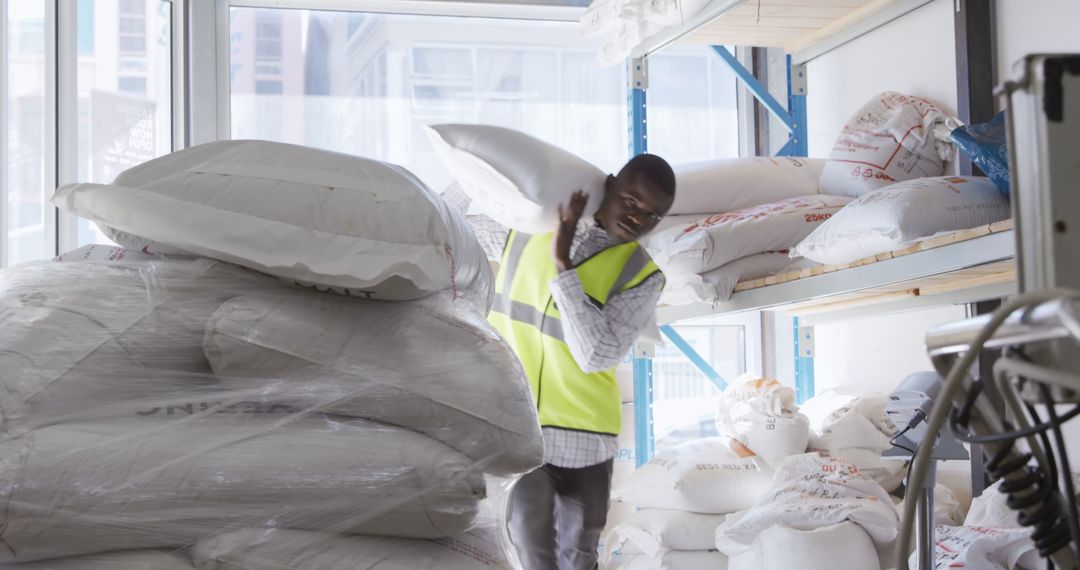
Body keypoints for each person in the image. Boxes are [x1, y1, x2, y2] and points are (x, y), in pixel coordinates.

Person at [486, 153, 676, 570]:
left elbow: (596, 356)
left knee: (579, 557)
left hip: (586, 438)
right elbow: (470, 201)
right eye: (631, 201)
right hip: (522, 429)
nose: (637, 218)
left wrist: (563, 268)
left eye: (652, 215)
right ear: (609, 185)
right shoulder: (526, 229)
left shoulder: (642, 275)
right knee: (532, 547)